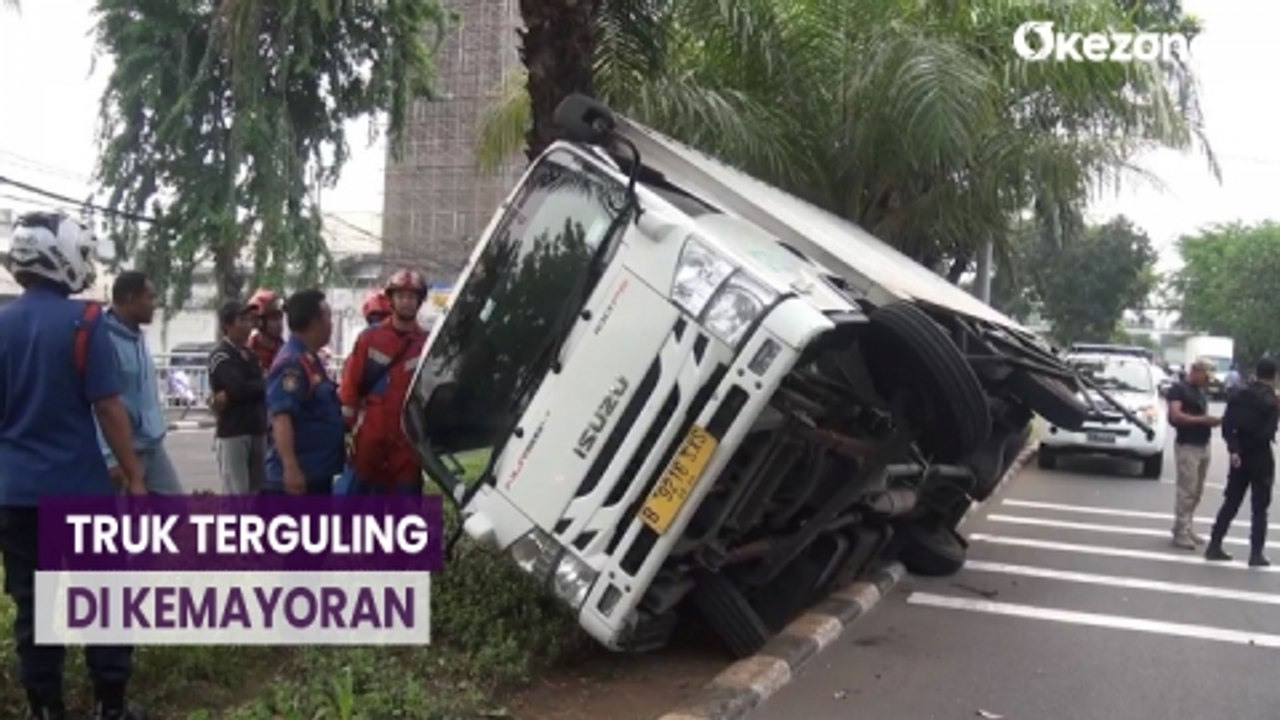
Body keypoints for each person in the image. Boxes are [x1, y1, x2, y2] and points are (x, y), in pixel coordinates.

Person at [0, 211, 150, 719]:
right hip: (80, 492)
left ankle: (46, 709)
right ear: (59, 257)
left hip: (17, 496)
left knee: (35, 607)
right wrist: (135, 476)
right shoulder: (85, 322)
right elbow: (108, 407)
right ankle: (111, 707)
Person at [339, 270, 430, 495]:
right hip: (371, 435)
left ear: (419, 301)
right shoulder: (369, 338)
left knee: (406, 505)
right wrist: (345, 428)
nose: (406, 302)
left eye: (412, 297)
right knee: (352, 501)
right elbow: (350, 385)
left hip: (407, 438)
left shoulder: (426, 343)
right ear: (391, 299)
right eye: (401, 296)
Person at [95, 271, 184, 496]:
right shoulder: (104, 340)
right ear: (130, 298)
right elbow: (100, 404)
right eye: (149, 298)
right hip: (123, 452)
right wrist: (109, 457)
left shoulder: (137, 336)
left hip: (152, 445)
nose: (154, 305)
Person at [263, 289, 344, 495]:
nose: (331, 325)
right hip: (299, 478)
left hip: (317, 472)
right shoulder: (292, 363)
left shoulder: (310, 359)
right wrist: (290, 468)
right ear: (314, 323)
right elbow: (281, 417)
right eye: (328, 318)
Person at [1205, 357, 1280, 566]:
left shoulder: (1238, 394)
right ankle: (1256, 553)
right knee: (1260, 508)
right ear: (1275, 375)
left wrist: (1235, 449)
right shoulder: (1271, 401)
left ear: (1256, 371)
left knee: (1231, 501)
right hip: (1260, 456)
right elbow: (1268, 432)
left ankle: (1214, 544)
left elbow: (1227, 425)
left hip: (1239, 455)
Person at [208, 300, 268, 494]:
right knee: (237, 491)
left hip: (256, 427)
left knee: (256, 491)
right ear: (228, 325)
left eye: (249, 320)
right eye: (242, 320)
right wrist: (261, 384)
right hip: (234, 430)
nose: (248, 325)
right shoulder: (221, 355)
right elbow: (238, 388)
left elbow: (261, 386)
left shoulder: (251, 355)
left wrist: (261, 384)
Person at [1166, 359, 1221, 549]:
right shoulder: (1178, 390)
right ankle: (1181, 531)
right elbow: (1176, 416)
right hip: (1187, 445)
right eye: (1205, 376)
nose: (1207, 381)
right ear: (1196, 371)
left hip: (1202, 443)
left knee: (1197, 491)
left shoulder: (1200, 391)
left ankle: (1185, 526)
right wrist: (1203, 420)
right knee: (1187, 491)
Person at [246, 288, 286, 374]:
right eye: (274, 318)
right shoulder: (247, 353)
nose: (279, 323)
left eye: (280, 317)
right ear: (259, 321)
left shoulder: (286, 351)